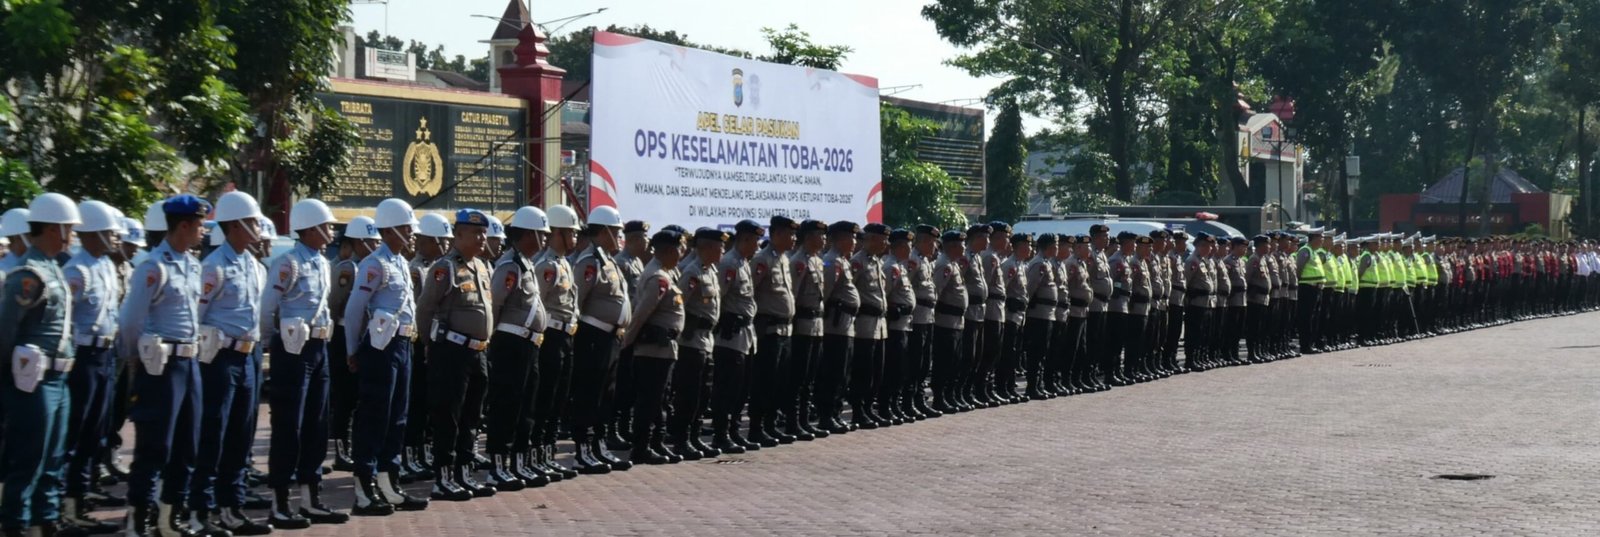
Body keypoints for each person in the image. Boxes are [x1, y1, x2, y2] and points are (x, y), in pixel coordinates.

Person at [261, 199, 358, 531]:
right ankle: (280, 502)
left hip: (319, 348)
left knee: (317, 424)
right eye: (327, 226)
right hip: (293, 349)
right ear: (311, 228)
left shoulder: (321, 261)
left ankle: (310, 497)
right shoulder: (288, 263)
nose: (331, 231)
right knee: (289, 425)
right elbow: (268, 309)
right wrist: (271, 344)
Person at [119, 194, 210, 536]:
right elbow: (130, 321)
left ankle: (168, 519)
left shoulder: (193, 265)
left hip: (189, 362)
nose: (203, 231)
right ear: (183, 226)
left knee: (188, 445)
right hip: (161, 365)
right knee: (155, 446)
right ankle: (138, 519)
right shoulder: (153, 266)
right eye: (199, 225)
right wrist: (135, 359)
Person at [185, 192, 273, 536]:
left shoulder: (253, 265)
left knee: (240, 435)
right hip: (219, 359)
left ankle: (231, 508)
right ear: (235, 225)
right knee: (213, 435)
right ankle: (200, 511)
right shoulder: (214, 267)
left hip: (247, 357)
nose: (257, 227)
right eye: (251, 222)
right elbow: (197, 316)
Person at [0, 194, 81, 537]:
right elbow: (5, 331)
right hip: (34, 380)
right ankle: (16, 524)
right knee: (29, 459)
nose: (71, 236)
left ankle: (44, 521)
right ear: (52, 229)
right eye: (68, 229)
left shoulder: (52, 267)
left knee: (52, 458)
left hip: (57, 378)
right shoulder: (28, 274)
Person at [342, 198, 421, 517]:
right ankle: (364, 490)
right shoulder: (375, 264)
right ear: (389, 230)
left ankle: (389, 484)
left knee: (398, 418)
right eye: (405, 228)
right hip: (380, 347)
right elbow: (354, 310)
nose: (411, 233)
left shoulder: (400, 261)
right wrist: (351, 350)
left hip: (402, 345)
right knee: (375, 417)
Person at [415, 209, 498, 500]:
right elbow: (425, 309)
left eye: (484, 233)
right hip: (451, 351)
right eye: (475, 233)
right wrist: (430, 345)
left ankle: (464, 473)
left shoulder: (483, 267)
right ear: (458, 235)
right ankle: (443, 478)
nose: (482, 238)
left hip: (478, 353)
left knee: (471, 418)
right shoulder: (445, 267)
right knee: (448, 416)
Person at [56, 200, 123, 535]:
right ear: (93, 233)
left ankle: (79, 500)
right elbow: (64, 321)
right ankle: (65, 507)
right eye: (110, 232)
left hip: (105, 356)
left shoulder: (106, 265)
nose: (115, 238)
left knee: (95, 432)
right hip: (83, 357)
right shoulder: (76, 271)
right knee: (76, 432)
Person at [483, 207, 551, 491]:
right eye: (541, 234)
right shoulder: (509, 266)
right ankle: (498, 465)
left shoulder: (526, 264)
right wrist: (492, 343)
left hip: (529, 344)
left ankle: (518, 462)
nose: (544, 240)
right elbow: (495, 305)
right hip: (511, 344)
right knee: (506, 406)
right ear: (528, 234)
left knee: (526, 406)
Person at [569, 206, 634, 474]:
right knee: (590, 394)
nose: (619, 236)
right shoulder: (590, 261)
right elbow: (577, 301)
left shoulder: (608, 260)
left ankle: (599, 445)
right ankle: (583, 450)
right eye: (616, 231)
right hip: (593, 337)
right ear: (604, 231)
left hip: (610, 338)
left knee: (606, 395)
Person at [619, 229, 686, 465]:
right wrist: (626, 345)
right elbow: (640, 315)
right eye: (679, 249)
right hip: (653, 351)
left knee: (660, 400)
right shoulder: (658, 278)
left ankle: (656, 442)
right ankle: (642, 447)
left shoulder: (665, 273)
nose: (682, 254)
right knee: (649, 400)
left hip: (663, 350)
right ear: (668, 251)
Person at [529, 205, 581, 481]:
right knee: (544, 399)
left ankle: (548, 453)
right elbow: (536, 304)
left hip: (565, 337)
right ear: (557, 233)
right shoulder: (545, 265)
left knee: (558, 399)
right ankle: (536, 454)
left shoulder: (564, 263)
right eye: (571, 232)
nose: (575, 237)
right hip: (549, 337)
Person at [401, 213, 452, 481]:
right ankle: (410, 455)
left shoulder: (440, 266)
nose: (446, 245)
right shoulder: (416, 269)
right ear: (426, 241)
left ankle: (423, 452)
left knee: (432, 401)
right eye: (441, 240)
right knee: (417, 401)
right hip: (420, 341)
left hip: (436, 341)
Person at [328, 216, 380, 474]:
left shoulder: (372, 266)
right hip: (341, 332)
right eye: (371, 241)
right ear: (357, 243)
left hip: (362, 333)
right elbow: (336, 304)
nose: (375, 245)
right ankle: (341, 450)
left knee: (358, 396)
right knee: (344, 396)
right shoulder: (349, 268)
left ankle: (353, 446)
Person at [671, 228, 725, 459]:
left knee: (703, 394)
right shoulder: (691, 271)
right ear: (708, 247)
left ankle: (694, 437)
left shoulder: (710, 270)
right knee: (689, 395)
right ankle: (681, 440)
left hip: (707, 340)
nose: (723, 251)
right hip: (691, 342)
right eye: (720, 247)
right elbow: (678, 305)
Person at [711, 220, 762, 449]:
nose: (757, 245)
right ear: (745, 239)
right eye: (755, 241)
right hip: (730, 336)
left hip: (746, 335)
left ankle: (734, 430)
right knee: (727, 388)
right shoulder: (729, 263)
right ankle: (721, 434)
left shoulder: (743, 263)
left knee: (742, 388)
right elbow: (718, 298)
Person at [748, 216, 797, 445]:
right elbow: (750, 292)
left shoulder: (784, 259)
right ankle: (756, 428)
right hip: (768, 331)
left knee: (780, 382)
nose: (794, 238)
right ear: (776, 234)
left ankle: (771, 425)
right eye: (790, 234)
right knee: (764, 382)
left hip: (785, 330)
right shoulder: (762, 259)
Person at [783, 221, 827, 440]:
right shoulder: (798, 262)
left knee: (809, 377)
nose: (824, 239)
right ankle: (793, 422)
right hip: (802, 326)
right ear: (809, 238)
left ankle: (804, 420)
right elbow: (793, 295)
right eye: (820, 235)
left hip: (816, 325)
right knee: (797, 378)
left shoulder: (817, 261)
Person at [814, 221, 859, 432]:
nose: (854, 242)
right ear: (839, 239)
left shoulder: (843, 260)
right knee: (833, 373)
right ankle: (826, 415)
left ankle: (835, 413)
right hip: (835, 326)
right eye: (850, 238)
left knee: (843, 373)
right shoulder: (831, 262)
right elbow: (825, 294)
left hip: (846, 325)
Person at [609, 220, 650, 453]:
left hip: (636, 333)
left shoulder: (637, 262)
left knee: (631, 384)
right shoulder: (621, 263)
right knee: (619, 385)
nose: (647, 241)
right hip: (624, 333)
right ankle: (613, 429)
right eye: (644, 237)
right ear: (633, 239)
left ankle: (625, 427)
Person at [848, 223, 890, 429]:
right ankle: (858, 411)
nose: (886, 243)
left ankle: (868, 408)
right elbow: (850, 290)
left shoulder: (877, 261)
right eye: (883, 239)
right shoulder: (858, 262)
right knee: (863, 371)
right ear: (872, 239)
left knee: (876, 371)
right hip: (864, 324)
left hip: (879, 325)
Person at [880, 228, 919, 422]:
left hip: (904, 324)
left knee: (900, 369)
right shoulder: (891, 267)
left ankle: (894, 405)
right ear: (901, 247)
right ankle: (886, 407)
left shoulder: (900, 266)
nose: (911, 249)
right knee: (893, 368)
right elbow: (884, 296)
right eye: (909, 246)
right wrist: (894, 309)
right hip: (894, 326)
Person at [928, 230, 967, 413]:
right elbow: (936, 292)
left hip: (956, 321)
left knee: (954, 361)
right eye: (961, 245)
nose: (964, 248)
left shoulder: (953, 263)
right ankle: (939, 398)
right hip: (945, 322)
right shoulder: (944, 264)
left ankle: (949, 395)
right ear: (952, 246)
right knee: (944, 362)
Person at [1022, 233, 1057, 399]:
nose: (1057, 248)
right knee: (1036, 352)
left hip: (1047, 313)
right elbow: (1030, 288)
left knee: (1043, 351)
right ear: (1049, 247)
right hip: (1038, 314)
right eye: (1055, 245)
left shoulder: (1046, 262)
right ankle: (1032, 386)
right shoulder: (1039, 264)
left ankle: (1038, 384)